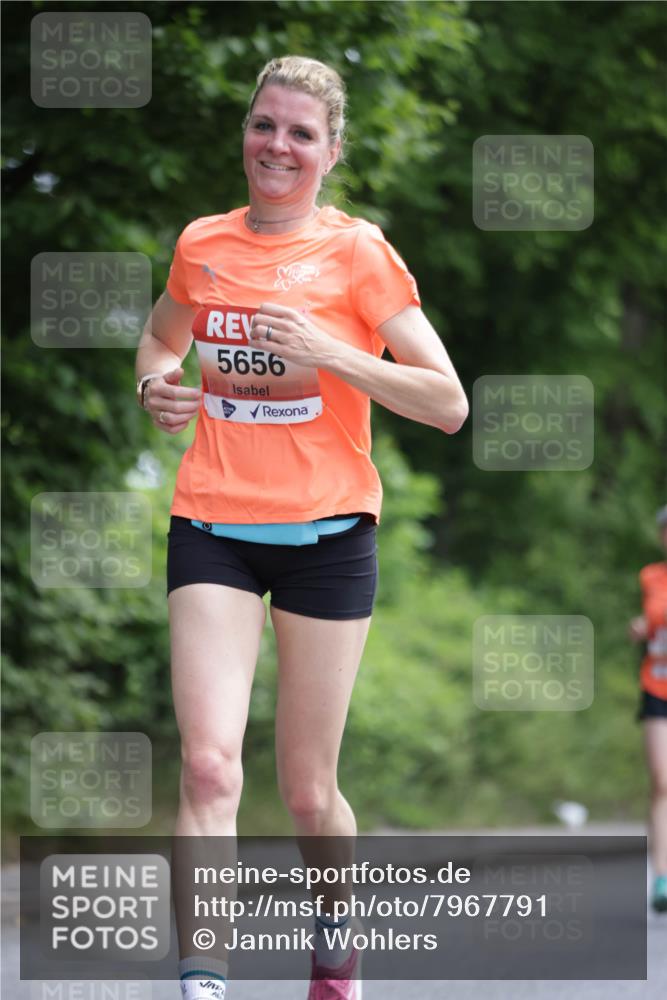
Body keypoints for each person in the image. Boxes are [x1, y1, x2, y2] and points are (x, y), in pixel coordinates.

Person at [135, 55, 468, 1000]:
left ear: (330, 151)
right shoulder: (202, 242)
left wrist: (332, 353)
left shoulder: (360, 254)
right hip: (213, 522)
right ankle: (204, 981)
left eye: (300, 133)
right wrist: (155, 382)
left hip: (327, 536)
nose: (276, 145)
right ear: (245, 132)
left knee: (309, 792)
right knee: (208, 767)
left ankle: (335, 951)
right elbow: (161, 336)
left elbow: (447, 402)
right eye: (263, 124)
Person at [628, 505, 667, 913]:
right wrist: (641, 626)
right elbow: (653, 617)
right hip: (657, 685)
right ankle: (661, 876)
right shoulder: (651, 576)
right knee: (661, 780)